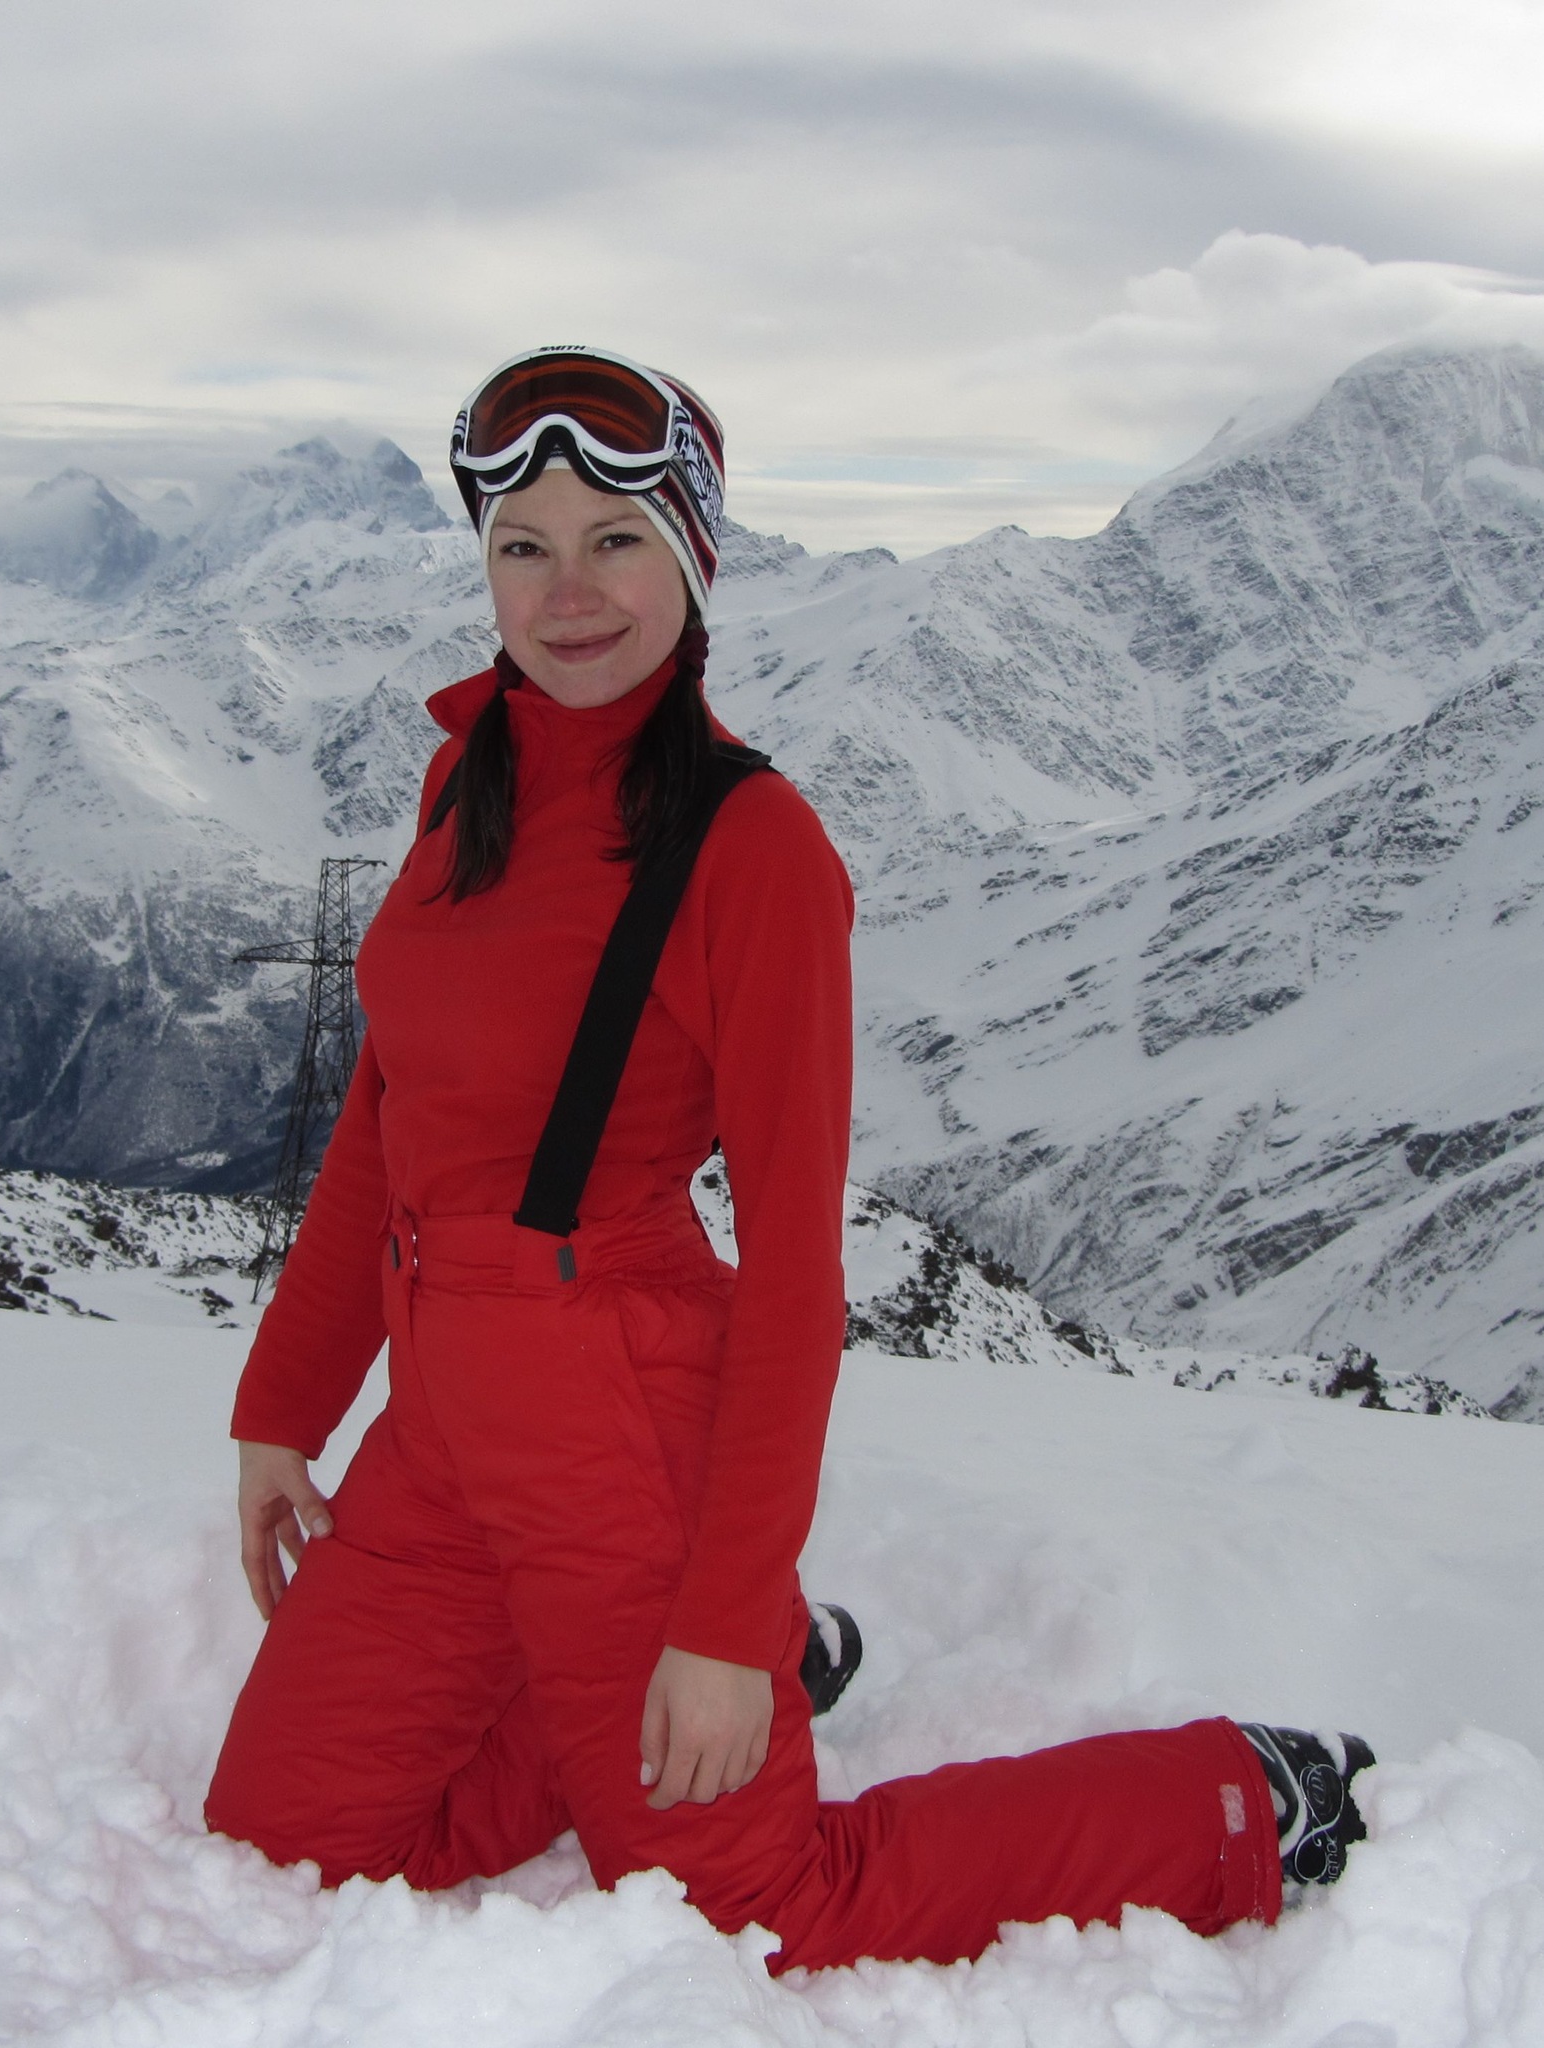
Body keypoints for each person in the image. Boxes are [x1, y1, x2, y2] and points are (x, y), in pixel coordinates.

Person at [204, 346, 1373, 1971]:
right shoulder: (465, 781)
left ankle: (1234, 1797)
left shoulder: (750, 850)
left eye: (614, 540)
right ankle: (729, 1675)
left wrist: (711, 1620)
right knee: (287, 1841)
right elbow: (385, 1126)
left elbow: (794, 1280)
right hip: (442, 1427)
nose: (566, 593)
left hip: (621, 1441)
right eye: (522, 546)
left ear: (690, 557)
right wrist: (282, 1409)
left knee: (755, 1908)